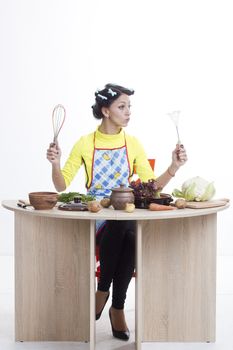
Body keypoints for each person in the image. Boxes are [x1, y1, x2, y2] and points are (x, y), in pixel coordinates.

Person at [46, 83, 188, 341]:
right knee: (120, 224)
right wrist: (55, 164)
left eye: (129, 107)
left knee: (129, 231)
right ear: (106, 111)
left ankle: (109, 299)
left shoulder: (132, 144)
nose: (128, 112)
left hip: (125, 215)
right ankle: (114, 305)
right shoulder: (85, 143)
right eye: (122, 106)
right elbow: (61, 185)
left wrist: (173, 167)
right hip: (97, 214)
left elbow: (151, 188)